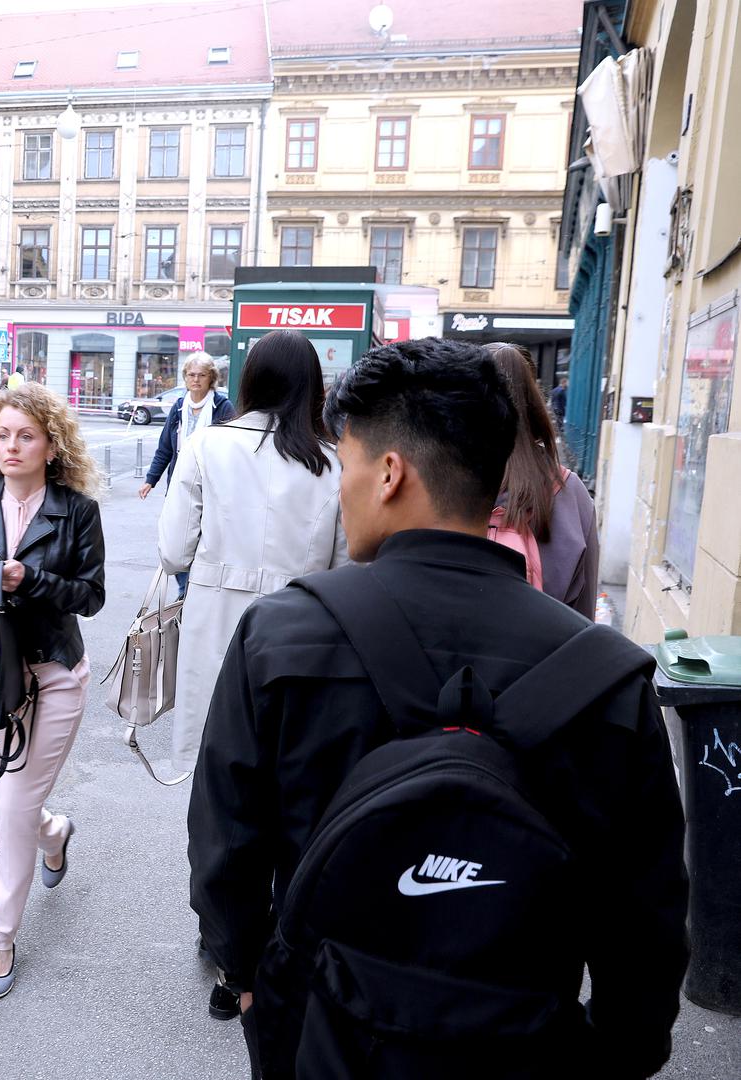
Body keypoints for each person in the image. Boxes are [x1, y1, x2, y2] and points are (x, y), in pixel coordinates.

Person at [189, 337, 688, 1079]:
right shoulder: (607, 677)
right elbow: (644, 915)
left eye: (348, 465)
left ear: (389, 473)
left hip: (321, 1029)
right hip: (519, 1039)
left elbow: (225, 851)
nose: (339, 489)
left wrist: (248, 979)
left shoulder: (282, 636)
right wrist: (618, 1049)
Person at [0, 383, 106, 1000]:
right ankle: (54, 832)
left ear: (50, 444)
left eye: (25, 435)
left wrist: (30, 578)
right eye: (2, 434)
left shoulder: (76, 509)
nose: (11, 446)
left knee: (10, 806)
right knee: (7, 803)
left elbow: (90, 596)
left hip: (56, 672)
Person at [157, 330, 343, 769]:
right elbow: (346, 566)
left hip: (213, 623)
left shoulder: (207, 445)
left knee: (212, 764)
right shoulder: (334, 463)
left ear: (250, 380)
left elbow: (174, 552)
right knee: (286, 767)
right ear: (313, 389)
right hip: (303, 632)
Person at [488, 344, 599, 616]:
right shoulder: (570, 491)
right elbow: (583, 617)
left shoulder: (445, 483)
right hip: (548, 653)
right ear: (534, 402)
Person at [138, 353, 237, 499]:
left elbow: (231, 452)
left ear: (211, 377)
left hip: (211, 485)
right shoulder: (178, 407)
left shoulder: (223, 407)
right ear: (185, 377)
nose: (196, 379)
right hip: (179, 481)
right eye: (191, 374)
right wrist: (150, 480)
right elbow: (165, 449)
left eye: (202, 375)